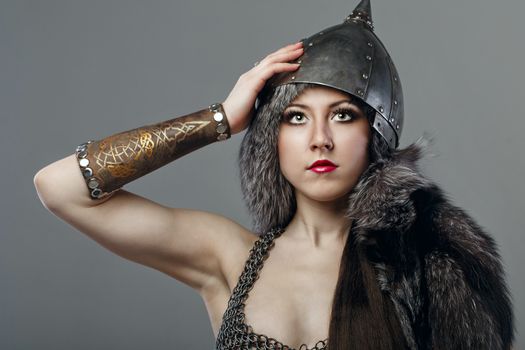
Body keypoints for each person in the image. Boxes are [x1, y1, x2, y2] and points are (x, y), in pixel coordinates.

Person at [34, 0, 514, 349]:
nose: (319, 138)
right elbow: (59, 188)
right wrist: (221, 119)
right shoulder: (227, 256)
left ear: (376, 137)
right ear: (272, 138)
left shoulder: (422, 266)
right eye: (296, 117)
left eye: (344, 115)